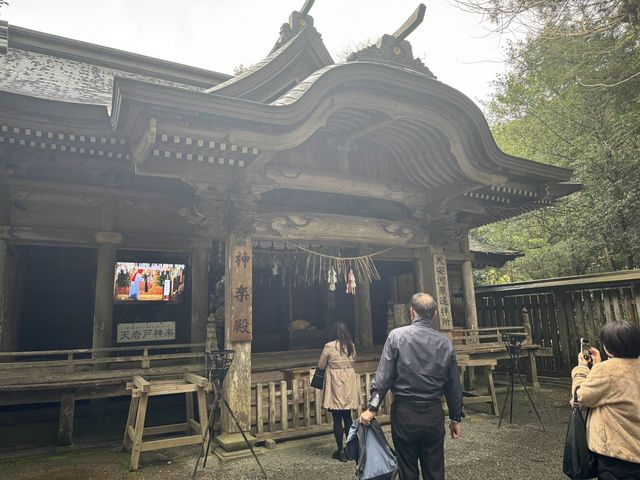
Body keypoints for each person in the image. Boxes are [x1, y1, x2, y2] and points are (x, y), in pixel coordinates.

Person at [359, 292, 463, 480]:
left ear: (411, 312)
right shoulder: (445, 343)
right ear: (435, 314)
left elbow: (383, 378)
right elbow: (453, 384)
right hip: (433, 413)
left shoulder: (396, 337)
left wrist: (372, 408)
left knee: (407, 469)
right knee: (435, 468)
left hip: (404, 413)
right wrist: (455, 417)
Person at [571, 320, 640, 479]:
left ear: (608, 346)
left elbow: (580, 396)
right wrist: (598, 365)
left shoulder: (606, 371)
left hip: (618, 453)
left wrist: (581, 368)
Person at [317, 322, 360, 462]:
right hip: (348, 380)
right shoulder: (351, 346)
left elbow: (321, 365)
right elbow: (354, 361)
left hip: (335, 381)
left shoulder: (329, 346)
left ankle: (340, 450)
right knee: (348, 416)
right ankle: (350, 449)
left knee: (337, 418)